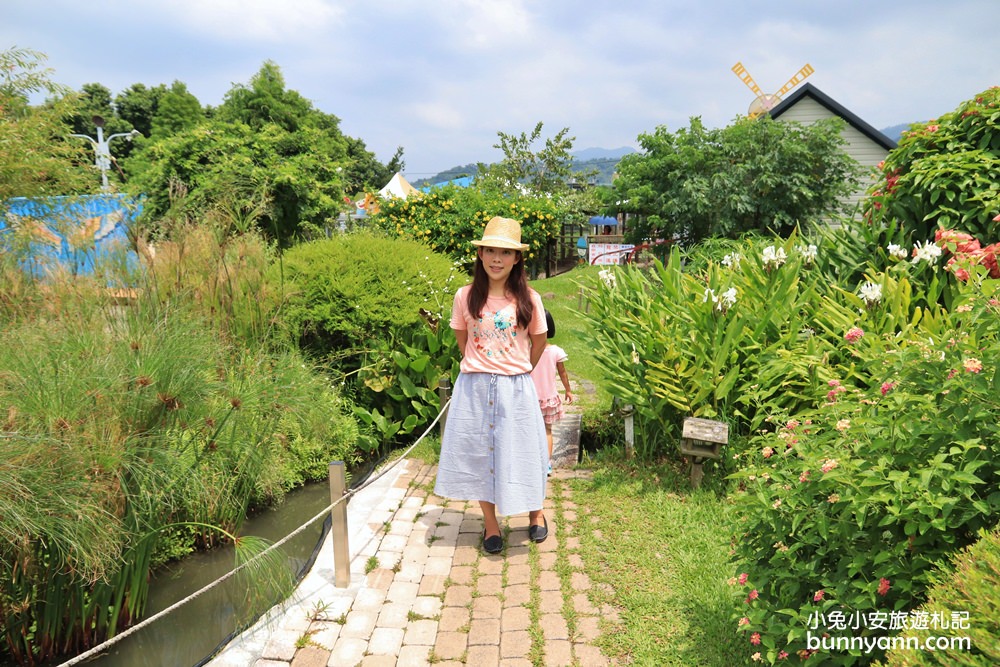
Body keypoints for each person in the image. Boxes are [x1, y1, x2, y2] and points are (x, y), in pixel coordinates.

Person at [434, 216, 550, 554]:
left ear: (517, 259)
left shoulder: (529, 298)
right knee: (479, 455)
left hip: (516, 388)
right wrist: (483, 368)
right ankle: (490, 523)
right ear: (480, 255)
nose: (497, 259)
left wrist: (520, 368)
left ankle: (536, 513)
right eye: (490, 251)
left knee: (526, 452)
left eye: (505, 252)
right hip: (474, 388)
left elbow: (539, 340)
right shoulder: (465, 296)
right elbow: (462, 339)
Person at [530, 310, 574, 475]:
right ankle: (547, 463)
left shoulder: (527, 350)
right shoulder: (556, 351)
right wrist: (568, 390)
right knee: (547, 430)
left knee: (531, 431)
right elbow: (563, 373)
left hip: (530, 399)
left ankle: (533, 462)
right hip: (549, 398)